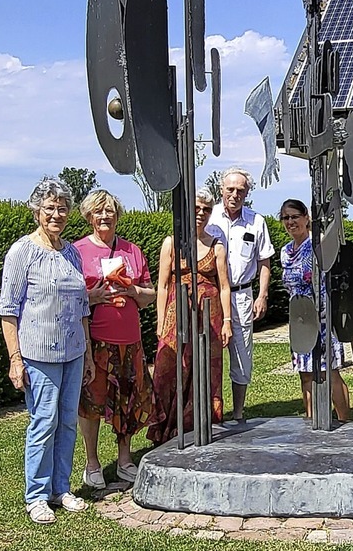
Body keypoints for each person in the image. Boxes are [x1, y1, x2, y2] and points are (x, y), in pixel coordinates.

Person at [0, 177, 94, 524]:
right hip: (38, 354)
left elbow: (83, 306)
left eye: (63, 208)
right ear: (37, 210)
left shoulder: (71, 252)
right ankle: (36, 495)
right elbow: (8, 309)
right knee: (44, 422)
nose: (57, 213)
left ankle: (60, 487)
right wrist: (15, 359)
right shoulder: (22, 251)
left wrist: (88, 355)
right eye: (50, 207)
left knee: (67, 421)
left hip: (73, 351)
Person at [74, 190, 156, 487]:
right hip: (96, 340)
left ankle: (124, 459)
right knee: (93, 402)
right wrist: (93, 296)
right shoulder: (77, 251)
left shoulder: (131, 251)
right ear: (89, 217)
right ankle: (92, 463)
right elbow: (68, 297)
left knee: (128, 401)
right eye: (98, 212)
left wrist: (133, 291)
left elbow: (150, 294)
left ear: (118, 216)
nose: (105, 217)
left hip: (130, 340)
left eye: (110, 211)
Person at [148, 187, 232, 443]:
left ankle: (200, 422)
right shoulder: (171, 242)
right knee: (170, 368)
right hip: (177, 310)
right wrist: (162, 320)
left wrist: (227, 321)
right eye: (196, 208)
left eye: (206, 209)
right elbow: (162, 285)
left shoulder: (216, 246)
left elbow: (224, 286)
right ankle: (165, 427)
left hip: (209, 314)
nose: (201, 213)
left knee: (204, 367)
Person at [207, 167, 274, 422]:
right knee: (209, 353)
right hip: (212, 297)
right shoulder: (208, 217)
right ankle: (209, 412)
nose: (235, 194)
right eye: (230, 189)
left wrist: (263, 295)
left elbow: (265, 261)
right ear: (221, 190)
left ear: (247, 193)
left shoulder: (256, 221)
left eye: (241, 190)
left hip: (243, 296)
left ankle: (237, 412)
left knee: (242, 355)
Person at [279, 199, 350, 421]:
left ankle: (344, 419)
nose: (291, 222)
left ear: (306, 217)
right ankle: (312, 420)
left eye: (294, 216)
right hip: (300, 319)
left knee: (331, 373)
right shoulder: (285, 251)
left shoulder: (318, 245)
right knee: (306, 374)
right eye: (286, 218)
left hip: (321, 318)